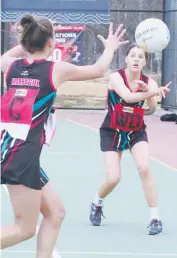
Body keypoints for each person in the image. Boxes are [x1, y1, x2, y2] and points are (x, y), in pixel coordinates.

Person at [0, 13, 129, 256]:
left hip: (13, 151)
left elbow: (6, 56)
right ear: (51, 43)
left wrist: (28, 42)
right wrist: (110, 46)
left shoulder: (11, 67)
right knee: (24, 229)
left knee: (55, 213)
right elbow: (100, 69)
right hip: (21, 157)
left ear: (26, 43)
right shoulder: (55, 71)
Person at [89, 43, 171, 235]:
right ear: (126, 59)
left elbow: (150, 109)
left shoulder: (148, 82)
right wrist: (152, 92)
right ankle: (96, 202)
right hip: (112, 130)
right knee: (113, 178)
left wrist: (151, 94)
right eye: (132, 55)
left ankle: (155, 218)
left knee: (144, 167)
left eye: (140, 57)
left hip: (136, 130)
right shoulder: (116, 77)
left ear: (144, 62)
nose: (136, 59)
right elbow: (127, 96)